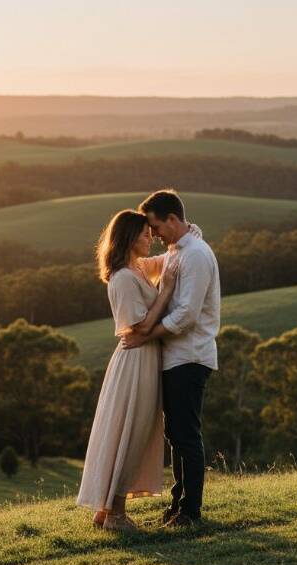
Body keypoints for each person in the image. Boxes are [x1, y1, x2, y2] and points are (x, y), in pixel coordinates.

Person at [121, 189, 221, 527]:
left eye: (155, 227)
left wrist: (145, 335)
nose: (153, 235)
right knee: (176, 434)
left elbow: (186, 316)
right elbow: (144, 266)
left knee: (186, 434)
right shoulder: (179, 249)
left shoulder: (194, 256)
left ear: (173, 220)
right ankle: (178, 506)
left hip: (190, 357)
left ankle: (191, 512)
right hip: (175, 358)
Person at [76, 209, 178, 532]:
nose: (151, 238)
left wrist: (187, 237)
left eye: (151, 232)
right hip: (135, 363)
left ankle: (105, 511)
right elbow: (140, 328)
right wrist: (165, 293)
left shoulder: (135, 268)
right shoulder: (122, 277)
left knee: (132, 431)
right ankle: (116, 515)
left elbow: (165, 262)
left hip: (143, 359)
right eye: (145, 233)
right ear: (129, 237)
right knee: (129, 433)